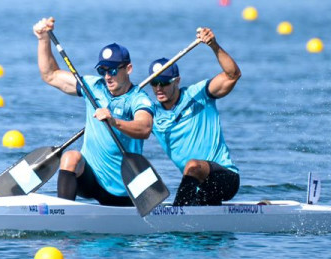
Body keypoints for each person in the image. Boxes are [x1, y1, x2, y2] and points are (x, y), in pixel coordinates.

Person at [33, 16, 155, 206]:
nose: (107, 76)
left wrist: (114, 121)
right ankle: (64, 215)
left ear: (128, 68)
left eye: (113, 70)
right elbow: (51, 75)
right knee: (70, 157)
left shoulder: (138, 99)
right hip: (91, 181)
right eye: (103, 70)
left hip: (122, 191)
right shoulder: (93, 87)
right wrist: (43, 40)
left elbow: (144, 128)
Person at [146, 26, 241, 206]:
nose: (158, 88)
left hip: (225, 179)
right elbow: (133, 130)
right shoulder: (152, 114)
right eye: (154, 82)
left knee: (192, 166)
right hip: (198, 187)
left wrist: (214, 46)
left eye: (164, 83)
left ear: (177, 81)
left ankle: (176, 215)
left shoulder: (199, 94)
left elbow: (232, 75)